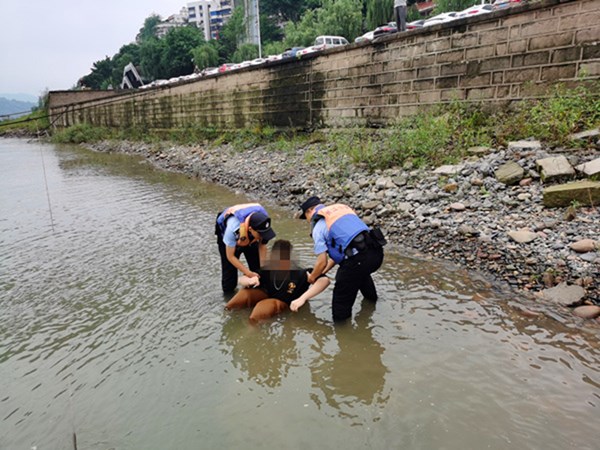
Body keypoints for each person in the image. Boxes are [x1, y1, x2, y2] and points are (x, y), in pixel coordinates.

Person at [298, 197, 385, 322]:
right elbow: (341, 255)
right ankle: (371, 303)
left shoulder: (318, 227)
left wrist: (312, 278)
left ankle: (343, 333)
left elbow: (321, 261)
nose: (307, 221)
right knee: (360, 274)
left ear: (309, 211)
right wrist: (321, 273)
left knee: (340, 300)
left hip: (358, 262)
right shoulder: (340, 211)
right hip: (376, 253)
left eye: (305, 216)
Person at [225, 239, 330, 323]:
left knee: (261, 310)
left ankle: (251, 333)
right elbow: (241, 279)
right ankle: (227, 319)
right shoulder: (268, 269)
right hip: (267, 294)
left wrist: (302, 298)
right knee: (242, 295)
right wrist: (249, 280)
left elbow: (325, 280)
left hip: (285, 302)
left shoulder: (300, 273)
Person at [215, 203, 276, 293]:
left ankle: (256, 290)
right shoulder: (232, 229)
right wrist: (248, 273)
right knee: (229, 278)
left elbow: (262, 246)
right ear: (251, 229)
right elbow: (230, 256)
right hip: (231, 238)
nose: (263, 236)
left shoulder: (263, 223)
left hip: (250, 235)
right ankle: (229, 295)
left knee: (258, 270)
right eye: (260, 234)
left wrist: (263, 270)